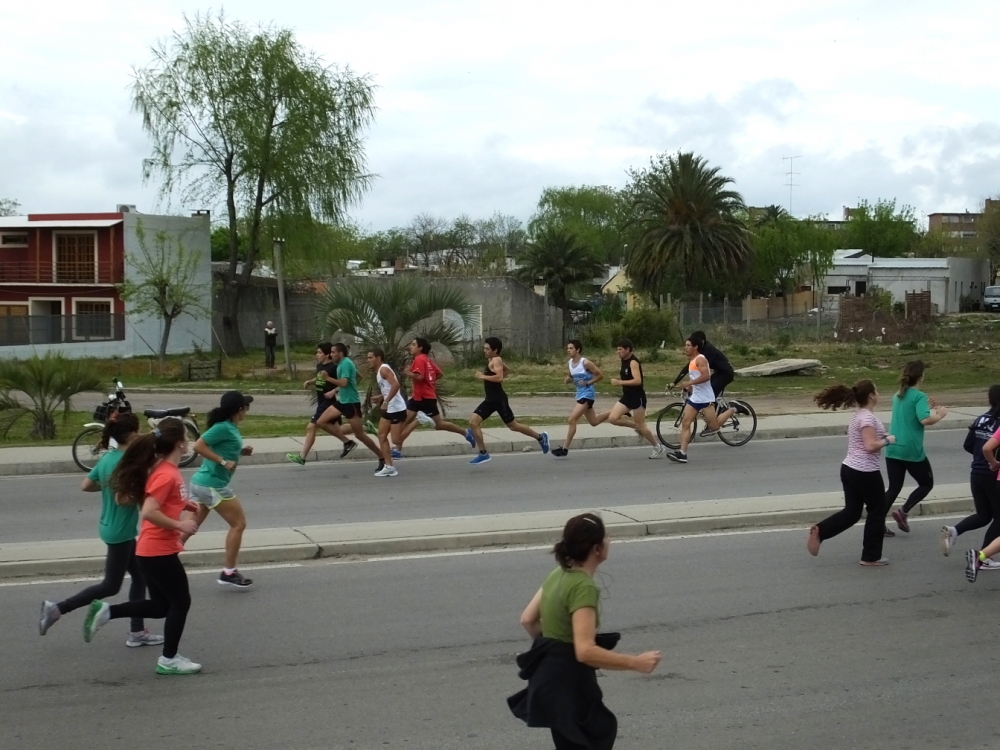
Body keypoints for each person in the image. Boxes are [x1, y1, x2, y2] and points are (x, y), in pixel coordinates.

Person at [508, 513, 661, 749]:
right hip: (571, 687)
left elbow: (528, 620)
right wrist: (636, 662)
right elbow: (585, 651)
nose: (609, 541)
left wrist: (555, 647)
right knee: (597, 735)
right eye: (606, 537)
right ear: (596, 549)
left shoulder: (556, 574)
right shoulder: (583, 587)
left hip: (550, 683)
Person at [84, 418, 202, 675]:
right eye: (187, 437)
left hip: (153, 551)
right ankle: (168, 660)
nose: (189, 441)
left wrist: (183, 505)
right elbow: (149, 511)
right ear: (180, 443)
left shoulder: (166, 470)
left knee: (162, 607)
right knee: (181, 603)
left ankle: (107, 612)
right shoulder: (166, 474)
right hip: (158, 550)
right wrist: (180, 525)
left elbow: (160, 500)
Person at [38, 413, 163, 648]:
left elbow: (85, 485)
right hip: (120, 532)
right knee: (110, 586)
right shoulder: (126, 462)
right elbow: (121, 499)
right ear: (132, 435)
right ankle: (57, 608)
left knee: (140, 576)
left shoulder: (108, 458)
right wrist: (143, 491)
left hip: (110, 527)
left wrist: (107, 485)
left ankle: (137, 632)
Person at [806, 380, 895, 566]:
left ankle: (821, 531)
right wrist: (888, 441)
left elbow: (866, 440)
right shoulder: (867, 418)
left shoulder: (858, 416)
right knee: (877, 512)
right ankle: (870, 556)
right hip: (866, 472)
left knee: (852, 512)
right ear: (871, 395)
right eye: (877, 391)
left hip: (850, 469)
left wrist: (882, 438)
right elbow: (870, 446)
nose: (878, 394)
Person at [188, 391, 255, 588]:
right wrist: (223, 461)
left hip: (202, 483)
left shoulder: (230, 428)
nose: (248, 410)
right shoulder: (223, 427)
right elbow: (198, 446)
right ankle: (229, 572)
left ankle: (160, 559)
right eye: (246, 406)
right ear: (238, 409)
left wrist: (240, 451)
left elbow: (221, 447)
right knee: (239, 524)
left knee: (189, 528)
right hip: (212, 484)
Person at [884, 360, 947, 534]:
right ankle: (903, 511)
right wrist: (939, 414)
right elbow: (924, 419)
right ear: (921, 376)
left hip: (893, 446)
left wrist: (926, 407)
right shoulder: (918, 396)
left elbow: (910, 413)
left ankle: (876, 522)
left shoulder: (898, 395)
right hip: (910, 449)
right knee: (926, 483)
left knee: (894, 487)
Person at [467, 337, 549, 465]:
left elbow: (499, 377)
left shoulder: (496, 359)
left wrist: (482, 376)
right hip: (490, 400)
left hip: (499, 400)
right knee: (473, 422)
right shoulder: (492, 359)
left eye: (487, 349)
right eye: (484, 348)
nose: (485, 351)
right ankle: (483, 453)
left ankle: (540, 437)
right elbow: (507, 370)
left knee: (513, 426)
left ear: (495, 350)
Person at [941, 385, 1000, 564]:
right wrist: (992, 462)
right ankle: (983, 556)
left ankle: (955, 531)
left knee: (984, 515)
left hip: (976, 473)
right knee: (999, 518)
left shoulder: (981, 419)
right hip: (993, 473)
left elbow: (968, 445)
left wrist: (979, 458)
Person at [666, 334, 746, 464]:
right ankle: (682, 453)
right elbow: (698, 381)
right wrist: (690, 388)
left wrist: (689, 383)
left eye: (688, 345)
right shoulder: (692, 361)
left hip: (706, 399)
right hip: (695, 399)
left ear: (695, 347)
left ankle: (733, 409)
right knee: (685, 423)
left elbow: (706, 376)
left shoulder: (701, 359)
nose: (685, 348)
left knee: (714, 427)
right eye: (685, 345)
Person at [395, 337, 474, 453]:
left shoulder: (419, 359)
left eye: (413, 345)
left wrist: (408, 373)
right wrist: (429, 382)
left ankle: (466, 433)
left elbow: (419, 376)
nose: (410, 347)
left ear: (420, 348)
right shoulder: (426, 359)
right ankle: (397, 451)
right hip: (418, 398)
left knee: (439, 425)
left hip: (425, 398)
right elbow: (439, 373)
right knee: (403, 422)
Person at [316, 342, 385, 468]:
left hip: (351, 403)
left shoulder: (346, 363)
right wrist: (349, 387)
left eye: (333, 352)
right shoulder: (342, 363)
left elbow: (344, 383)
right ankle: (347, 442)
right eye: (330, 352)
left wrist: (328, 379)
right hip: (342, 401)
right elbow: (358, 377)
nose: (331, 355)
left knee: (360, 435)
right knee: (320, 422)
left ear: (340, 353)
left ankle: (382, 457)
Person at [594, 339, 664, 459]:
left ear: (627, 350)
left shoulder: (633, 362)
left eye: (620, 349)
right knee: (613, 419)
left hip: (637, 398)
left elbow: (638, 381)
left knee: (641, 425)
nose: (618, 352)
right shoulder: (623, 360)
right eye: (617, 349)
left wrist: (619, 382)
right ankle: (635, 427)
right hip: (627, 397)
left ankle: (657, 446)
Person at [287, 343, 355, 465]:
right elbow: (319, 377)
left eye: (319, 353)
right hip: (321, 401)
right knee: (338, 429)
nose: (316, 355)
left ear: (327, 354)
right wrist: (311, 382)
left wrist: (334, 391)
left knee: (312, 426)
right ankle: (366, 427)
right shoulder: (320, 366)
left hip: (328, 402)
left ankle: (302, 457)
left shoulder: (334, 367)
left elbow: (345, 382)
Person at [670, 329, 734, 436]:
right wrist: (674, 382)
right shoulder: (699, 353)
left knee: (709, 395)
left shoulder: (707, 352)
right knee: (704, 393)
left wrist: (690, 383)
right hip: (718, 373)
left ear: (702, 342)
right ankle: (712, 417)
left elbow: (704, 375)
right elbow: (688, 367)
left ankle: (730, 410)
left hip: (726, 374)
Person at [551, 340, 603, 458]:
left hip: (587, 394)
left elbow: (600, 375)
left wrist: (588, 382)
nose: (568, 350)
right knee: (594, 422)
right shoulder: (570, 363)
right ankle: (616, 412)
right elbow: (571, 375)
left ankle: (564, 449)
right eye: (568, 348)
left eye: (571, 348)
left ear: (578, 349)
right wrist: (568, 379)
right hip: (579, 393)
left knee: (572, 419)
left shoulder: (586, 363)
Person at [367, 348, 407, 477]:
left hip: (396, 408)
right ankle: (389, 467)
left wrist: (386, 401)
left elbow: (396, 385)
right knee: (381, 436)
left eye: (370, 357)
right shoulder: (379, 371)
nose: (368, 360)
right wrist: (381, 397)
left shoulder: (384, 369)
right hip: (389, 408)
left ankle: (419, 420)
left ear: (378, 358)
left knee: (396, 440)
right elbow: (389, 388)